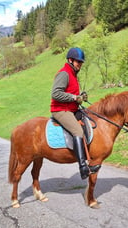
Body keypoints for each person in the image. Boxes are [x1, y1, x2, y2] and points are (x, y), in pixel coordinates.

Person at [50, 47, 100, 179]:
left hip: (72, 109)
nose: (80, 65)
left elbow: (71, 94)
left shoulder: (73, 74)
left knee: (88, 119)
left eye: (81, 62)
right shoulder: (64, 73)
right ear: (70, 60)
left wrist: (80, 97)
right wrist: (73, 97)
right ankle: (83, 167)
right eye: (78, 62)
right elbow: (55, 94)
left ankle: (91, 157)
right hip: (60, 110)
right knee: (78, 131)